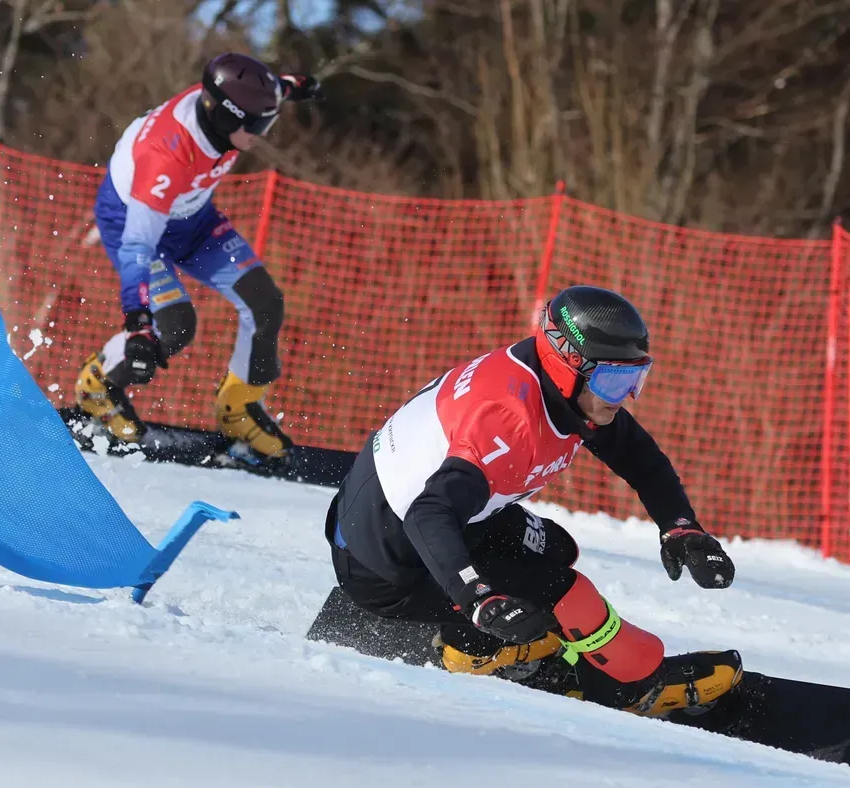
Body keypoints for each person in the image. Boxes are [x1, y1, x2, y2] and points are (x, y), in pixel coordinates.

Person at [322, 284, 743, 716]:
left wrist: (680, 526)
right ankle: (628, 687)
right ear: (570, 365)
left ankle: (476, 634)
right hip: (387, 564)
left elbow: (641, 458)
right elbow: (428, 514)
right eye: (616, 381)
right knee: (567, 594)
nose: (627, 397)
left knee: (557, 548)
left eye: (635, 379)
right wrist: (479, 599)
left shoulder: (561, 387)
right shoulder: (510, 421)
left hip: (404, 518)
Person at [74, 52, 321, 467]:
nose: (263, 133)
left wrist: (294, 85)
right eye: (258, 124)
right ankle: (97, 385)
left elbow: (273, 88)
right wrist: (138, 323)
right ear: (227, 118)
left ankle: (237, 410)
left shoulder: (229, 108)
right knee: (173, 326)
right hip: (134, 223)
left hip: (193, 218)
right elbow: (137, 244)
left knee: (265, 304)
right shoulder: (167, 158)